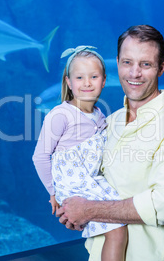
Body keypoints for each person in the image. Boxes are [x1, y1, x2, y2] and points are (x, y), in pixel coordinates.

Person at [56, 25, 164, 261]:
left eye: (145, 64)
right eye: (127, 62)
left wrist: (87, 209)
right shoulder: (108, 122)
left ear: (162, 68)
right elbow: (88, 181)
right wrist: (70, 208)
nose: (134, 73)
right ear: (117, 63)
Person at [32, 45, 127, 261]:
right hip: (74, 187)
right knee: (117, 230)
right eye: (79, 77)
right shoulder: (60, 115)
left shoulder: (100, 115)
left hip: (92, 182)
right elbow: (39, 157)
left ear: (104, 81)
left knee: (122, 221)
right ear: (68, 82)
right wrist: (53, 193)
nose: (86, 83)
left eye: (93, 77)